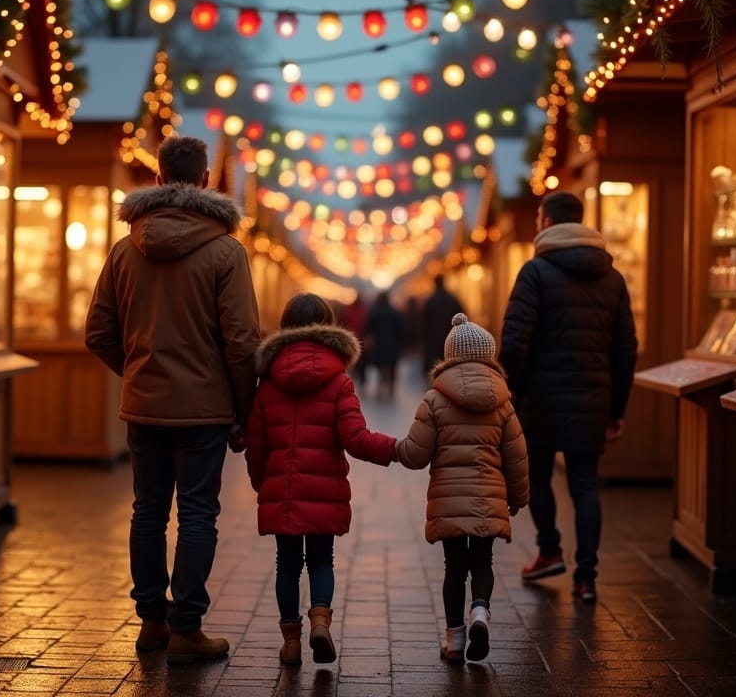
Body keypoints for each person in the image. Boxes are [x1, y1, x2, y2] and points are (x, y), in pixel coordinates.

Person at [84, 135, 261, 664]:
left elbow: (98, 332)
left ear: (158, 178)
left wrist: (139, 370)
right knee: (198, 515)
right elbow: (242, 341)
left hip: (144, 405)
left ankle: (151, 623)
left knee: (148, 511)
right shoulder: (226, 252)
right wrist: (243, 409)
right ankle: (187, 629)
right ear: (206, 180)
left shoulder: (124, 249)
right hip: (204, 410)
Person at [498, 190, 637, 604]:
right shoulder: (612, 278)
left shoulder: (535, 272)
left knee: (537, 476)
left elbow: (515, 340)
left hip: (539, 399)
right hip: (592, 400)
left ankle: (549, 550)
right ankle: (586, 578)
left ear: (546, 222)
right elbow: (625, 347)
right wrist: (617, 407)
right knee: (584, 486)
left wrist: (509, 391)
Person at [244, 293, 396, 666]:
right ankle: (320, 621)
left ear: (284, 326)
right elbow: (356, 439)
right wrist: (397, 450)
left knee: (286, 565)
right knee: (321, 561)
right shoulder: (338, 381)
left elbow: (256, 445)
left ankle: (291, 642)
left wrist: (262, 483)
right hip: (324, 490)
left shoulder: (267, 383)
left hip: (282, 491)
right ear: (328, 326)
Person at [395, 313, 528, 663]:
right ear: (489, 355)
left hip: (449, 501)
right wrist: (518, 498)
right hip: (489, 499)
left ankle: (454, 641)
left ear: (449, 355)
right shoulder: (503, 402)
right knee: (482, 562)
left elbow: (416, 455)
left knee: (454, 570)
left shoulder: (434, 399)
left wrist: (392, 449)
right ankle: (480, 612)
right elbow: (517, 457)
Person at [420, 274, 465, 378]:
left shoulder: (430, 301)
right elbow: (462, 316)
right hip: (450, 336)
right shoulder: (452, 299)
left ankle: (437, 380)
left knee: (434, 362)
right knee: (448, 361)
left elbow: (424, 323)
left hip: (433, 338)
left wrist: (423, 339)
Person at [364, 291, 405, 399]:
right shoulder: (395, 312)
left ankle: (380, 387)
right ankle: (391, 388)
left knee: (380, 366)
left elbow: (368, 329)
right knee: (392, 366)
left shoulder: (374, 312)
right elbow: (401, 329)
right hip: (393, 344)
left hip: (378, 344)